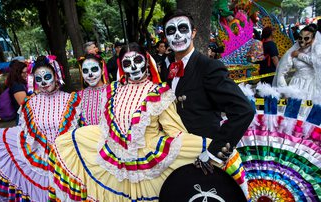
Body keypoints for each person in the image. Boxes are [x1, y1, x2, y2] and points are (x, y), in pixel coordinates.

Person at [48, 42, 248, 201]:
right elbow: (105, 126)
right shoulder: (112, 90)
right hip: (115, 159)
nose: (133, 67)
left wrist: (205, 147)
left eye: (137, 61)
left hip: (148, 159)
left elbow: (174, 130)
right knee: (66, 143)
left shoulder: (159, 92)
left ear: (146, 61)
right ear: (121, 67)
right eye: (127, 63)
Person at [161, 9, 254, 196]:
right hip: (178, 156)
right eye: (171, 31)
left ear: (193, 32)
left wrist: (213, 153)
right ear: (165, 37)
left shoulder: (208, 67)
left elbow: (244, 110)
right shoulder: (169, 68)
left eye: (182, 28)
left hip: (203, 159)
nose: (177, 34)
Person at [0, 55, 82, 201]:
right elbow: (22, 133)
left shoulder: (72, 99)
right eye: (38, 79)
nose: (44, 82)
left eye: (47, 76)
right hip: (39, 161)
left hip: (69, 161)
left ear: (55, 75)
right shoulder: (29, 103)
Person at [273, 25, 321, 99]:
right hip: (296, 87)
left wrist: (300, 55)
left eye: (306, 38)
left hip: (314, 89)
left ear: (313, 39)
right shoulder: (293, 52)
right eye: (300, 38)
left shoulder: (317, 52)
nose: (302, 41)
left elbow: (317, 63)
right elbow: (281, 73)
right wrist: (285, 91)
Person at [78, 54, 109, 126]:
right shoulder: (78, 96)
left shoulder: (112, 91)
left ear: (102, 71)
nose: (90, 74)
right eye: (85, 71)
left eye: (94, 69)